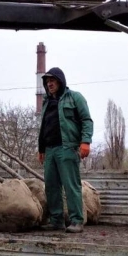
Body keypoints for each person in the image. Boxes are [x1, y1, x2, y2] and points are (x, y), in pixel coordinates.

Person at [37, 67, 93, 234]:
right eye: (47, 82)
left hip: (67, 148)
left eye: (52, 81)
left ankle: (76, 220)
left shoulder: (74, 97)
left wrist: (85, 142)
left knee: (71, 185)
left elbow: (86, 120)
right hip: (50, 150)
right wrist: (41, 148)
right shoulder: (46, 102)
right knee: (51, 186)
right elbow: (44, 126)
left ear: (60, 81)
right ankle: (57, 221)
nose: (49, 84)